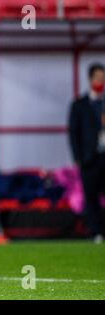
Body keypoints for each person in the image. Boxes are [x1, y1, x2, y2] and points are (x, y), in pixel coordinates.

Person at [68, 62, 105, 244]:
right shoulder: (79, 105)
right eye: (98, 78)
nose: (101, 81)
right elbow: (73, 133)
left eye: (103, 78)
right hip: (89, 159)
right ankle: (96, 232)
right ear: (91, 79)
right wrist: (77, 158)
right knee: (91, 197)